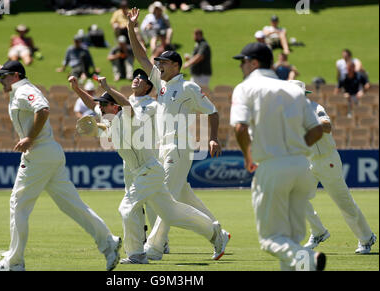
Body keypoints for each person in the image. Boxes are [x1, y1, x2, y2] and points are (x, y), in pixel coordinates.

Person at [0, 36, 121, 271]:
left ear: (16, 76)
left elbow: (43, 109)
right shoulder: (17, 86)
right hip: (51, 153)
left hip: (38, 154)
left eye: (4, 77)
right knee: (72, 205)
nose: (0, 80)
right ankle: (109, 243)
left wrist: (29, 138)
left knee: (18, 205)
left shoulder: (24, 91)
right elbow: (1, 70)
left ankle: (14, 262)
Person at [68, 70, 230, 264]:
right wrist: (77, 89)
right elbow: (91, 105)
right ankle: (215, 232)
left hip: (148, 170)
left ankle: (136, 254)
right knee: (171, 212)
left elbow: (127, 105)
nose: (100, 108)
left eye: (104, 104)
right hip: (144, 172)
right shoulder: (108, 117)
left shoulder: (128, 116)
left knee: (126, 207)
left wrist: (108, 88)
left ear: (115, 106)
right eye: (100, 104)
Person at [127, 7, 227, 261]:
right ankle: (220, 231)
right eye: (158, 62)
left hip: (179, 147)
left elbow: (213, 112)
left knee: (166, 200)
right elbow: (140, 56)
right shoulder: (161, 84)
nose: (157, 66)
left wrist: (213, 137)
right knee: (181, 195)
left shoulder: (188, 87)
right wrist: (131, 27)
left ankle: (154, 248)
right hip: (164, 149)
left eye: (162, 63)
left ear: (175, 65)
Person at [230, 42, 326, 271]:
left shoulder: (245, 87)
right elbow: (317, 130)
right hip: (302, 167)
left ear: (253, 63)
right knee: (289, 241)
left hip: (272, 167)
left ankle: (310, 259)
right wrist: (294, 149)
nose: (241, 66)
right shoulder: (293, 89)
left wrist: (247, 156)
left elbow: (240, 128)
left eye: (243, 62)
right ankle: (304, 260)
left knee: (270, 239)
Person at [288, 80, 377, 255]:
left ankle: (366, 238)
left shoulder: (315, 108)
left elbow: (327, 127)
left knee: (344, 202)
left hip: (327, 160)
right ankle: (319, 231)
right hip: (307, 161)